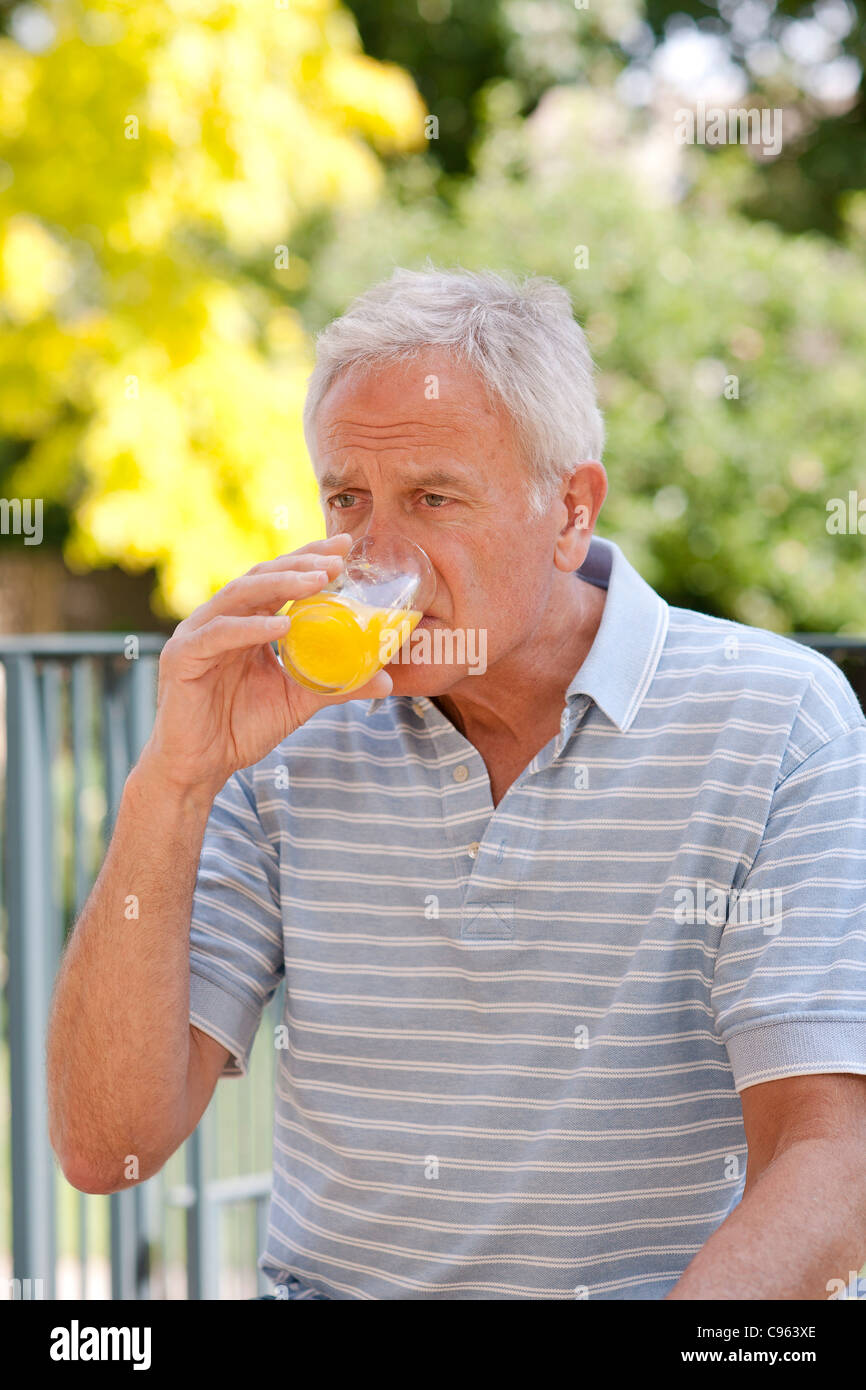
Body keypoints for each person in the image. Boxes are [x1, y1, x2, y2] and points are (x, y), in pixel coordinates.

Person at [47, 266, 866, 1300]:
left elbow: (832, 1159)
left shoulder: (777, 721)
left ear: (569, 510)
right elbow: (105, 1147)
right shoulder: (287, 741)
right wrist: (172, 780)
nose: (376, 553)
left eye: (433, 499)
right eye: (347, 499)